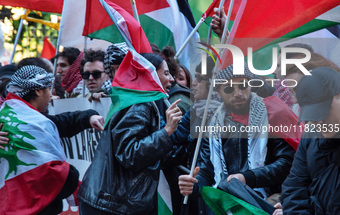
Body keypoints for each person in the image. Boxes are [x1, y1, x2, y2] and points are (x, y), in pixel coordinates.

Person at [178, 63, 297, 214]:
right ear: (219, 92)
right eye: (229, 89)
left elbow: (286, 163)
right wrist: (193, 185)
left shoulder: (271, 114)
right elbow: (205, 172)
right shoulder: (212, 124)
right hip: (224, 205)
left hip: (263, 204)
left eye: (242, 85)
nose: (238, 93)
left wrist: (247, 178)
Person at [77, 53, 183, 215]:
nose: (172, 80)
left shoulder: (137, 100)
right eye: (166, 73)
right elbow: (130, 155)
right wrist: (167, 131)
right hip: (111, 205)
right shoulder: (138, 105)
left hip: (110, 201)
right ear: (151, 74)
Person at [0, 65, 79, 214]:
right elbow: (50, 175)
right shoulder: (35, 122)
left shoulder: (5, 114)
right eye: (49, 88)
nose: (50, 95)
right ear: (38, 90)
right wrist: (72, 176)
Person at [281, 67, 340, 214]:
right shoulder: (309, 137)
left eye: (323, 110)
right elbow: (294, 187)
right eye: (312, 115)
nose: (318, 122)